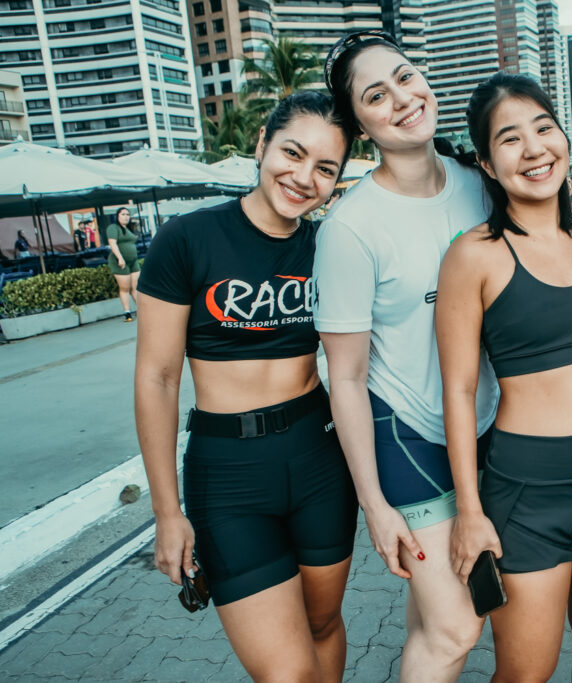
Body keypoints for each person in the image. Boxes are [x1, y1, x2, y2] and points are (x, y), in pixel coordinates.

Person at [437, 71, 572, 683]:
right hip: (525, 491)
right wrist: (469, 511)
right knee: (524, 670)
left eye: (544, 128)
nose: (534, 149)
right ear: (485, 161)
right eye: (510, 139)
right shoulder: (473, 255)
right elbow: (457, 390)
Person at [134, 91, 359, 681]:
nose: (303, 177)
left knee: (323, 626)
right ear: (262, 144)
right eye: (292, 152)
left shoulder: (329, 246)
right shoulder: (187, 238)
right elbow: (157, 378)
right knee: (287, 673)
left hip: (319, 461)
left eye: (325, 168)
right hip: (227, 476)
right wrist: (166, 511)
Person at [314, 30, 500, 682]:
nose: (400, 98)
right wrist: (375, 505)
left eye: (404, 77)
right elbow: (347, 377)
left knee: (430, 621)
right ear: (360, 124)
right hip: (410, 439)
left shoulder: (482, 184)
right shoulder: (352, 227)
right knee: (456, 625)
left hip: (484, 427)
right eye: (375, 94)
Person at [106, 207, 141, 322]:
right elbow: (112, 243)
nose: (126, 217)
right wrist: (120, 258)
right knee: (125, 288)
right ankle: (127, 312)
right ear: (117, 216)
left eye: (127, 214)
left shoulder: (129, 229)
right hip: (120, 261)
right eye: (123, 214)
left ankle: (142, 310)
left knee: (136, 287)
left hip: (133, 261)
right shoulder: (113, 228)